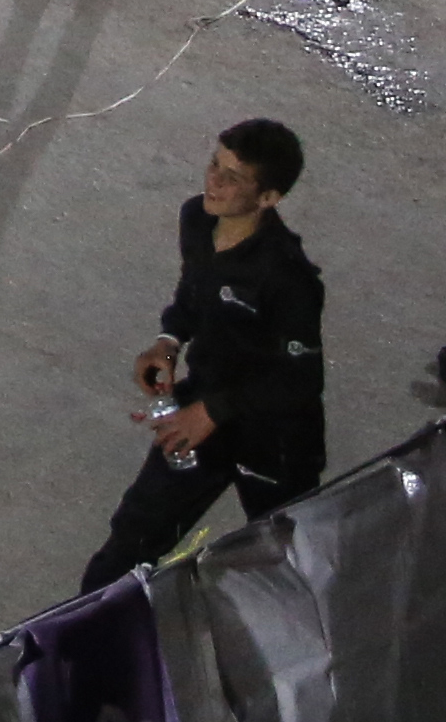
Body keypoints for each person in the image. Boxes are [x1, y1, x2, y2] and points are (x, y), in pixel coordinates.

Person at [83, 120, 328, 592]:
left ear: (268, 198)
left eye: (234, 177)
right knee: (134, 535)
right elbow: (194, 294)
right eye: (215, 165)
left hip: (275, 438)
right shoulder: (197, 220)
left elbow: (300, 381)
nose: (213, 182)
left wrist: (212, 411)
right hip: (205, 410)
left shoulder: (288, 278)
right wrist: (168, 341)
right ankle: (75, 645)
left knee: (291, 559)